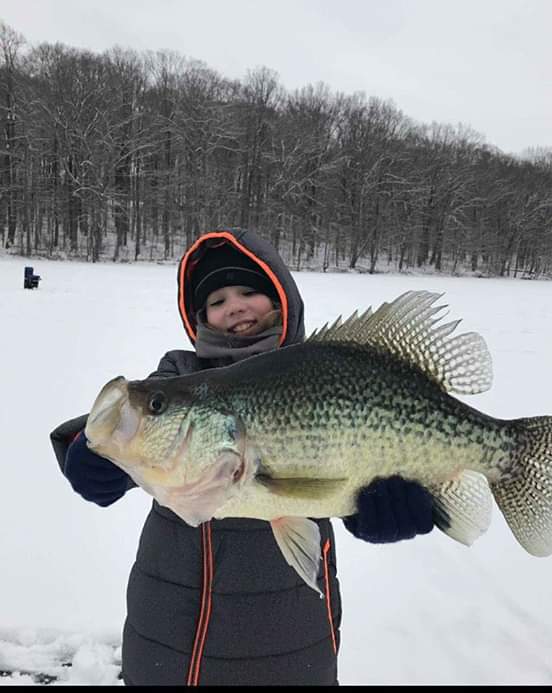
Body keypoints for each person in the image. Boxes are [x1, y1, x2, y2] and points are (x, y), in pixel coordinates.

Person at [50, 227, 434, 686]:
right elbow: (140, 426)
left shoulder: (319, 367)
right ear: (201, 318)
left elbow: (339, 475)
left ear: (281, 299)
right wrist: (89, 452)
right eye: (216, 300)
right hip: (168, 631)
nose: (234, 305)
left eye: (249, 291)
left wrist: (373, 508)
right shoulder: (181, 374)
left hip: (290, 630)